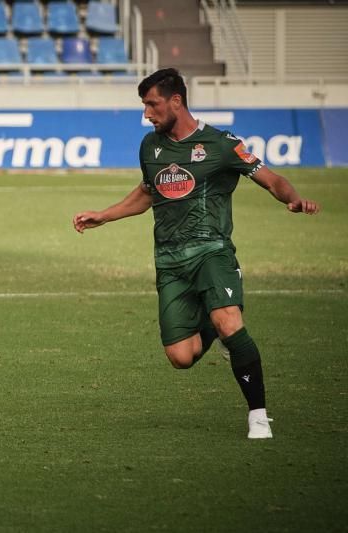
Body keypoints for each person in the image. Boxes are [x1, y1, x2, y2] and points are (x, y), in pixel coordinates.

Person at [72, 68, 320, 439]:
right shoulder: (150, 147)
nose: (147, 114)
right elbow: (147, 192)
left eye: (152, 104)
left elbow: (271, 179)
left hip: (212, 251)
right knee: (181, 357)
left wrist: (294, 199)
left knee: (229, 323)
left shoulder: (221, 144)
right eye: (144, 106)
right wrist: (103, 216)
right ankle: (213, 324)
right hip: (170, 261)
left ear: (176, 101)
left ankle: (258, 415)